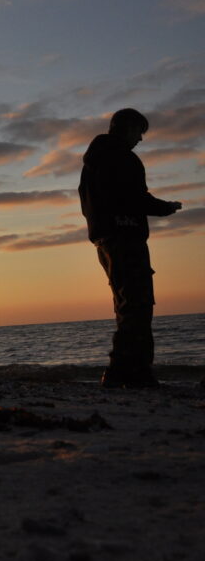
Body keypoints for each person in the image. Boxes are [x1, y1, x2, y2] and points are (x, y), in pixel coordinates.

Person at [78, 108, 182, 388]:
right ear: (126, 128)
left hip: (106, 240)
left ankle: (124, 371)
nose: (140, 139)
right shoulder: (123, 159)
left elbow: (90, 204)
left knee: (128, 305)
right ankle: (131, 372)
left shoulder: (92, 163)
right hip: (124, 237)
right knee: (138, 304)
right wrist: (165, 208)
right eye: (139, 132)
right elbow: (135, 198)